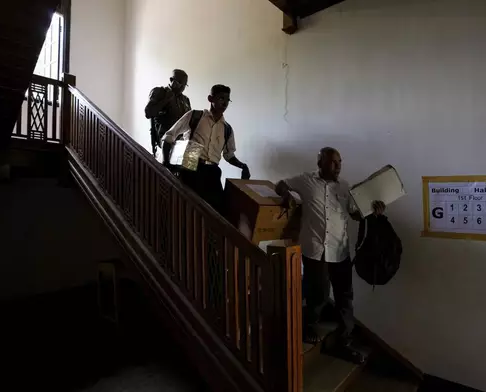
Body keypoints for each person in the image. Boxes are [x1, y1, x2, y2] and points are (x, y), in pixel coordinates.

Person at [275, 147, 385, 364]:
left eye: (340, 162)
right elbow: (281, 184)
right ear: (320, 162)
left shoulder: (345, 187)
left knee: (345, 296)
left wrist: (373, 210)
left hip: (340, 249)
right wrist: (286, 194)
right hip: (315, 248)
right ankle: (308, 326)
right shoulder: (306, 181)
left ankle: (344, 340)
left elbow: (354, 214)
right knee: (318, 294)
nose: (338, 166)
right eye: (333, 162)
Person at [162, 84, 250, 214]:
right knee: (187, 207)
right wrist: (166, 162)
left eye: (227, 100)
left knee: (219, 210)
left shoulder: (227, 128)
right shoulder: (195, 116)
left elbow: (228, 155)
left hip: (212, 172)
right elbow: (169, 136)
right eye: (221, 98)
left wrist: (242, 166)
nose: (225, 103)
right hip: (191, 166)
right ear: (210, 98)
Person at [145, 69, 192, 156]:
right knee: (180, 151)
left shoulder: (185, 100)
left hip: (182, 138)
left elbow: (189, 121)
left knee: (195, 151)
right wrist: (165, 100)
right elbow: (148, 113)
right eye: (179, 83)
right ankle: (170, 166)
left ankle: (190, 168)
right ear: (171, 80)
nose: (182, 87)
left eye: (184, 85)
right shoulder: (160, 92)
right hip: (166, 137)